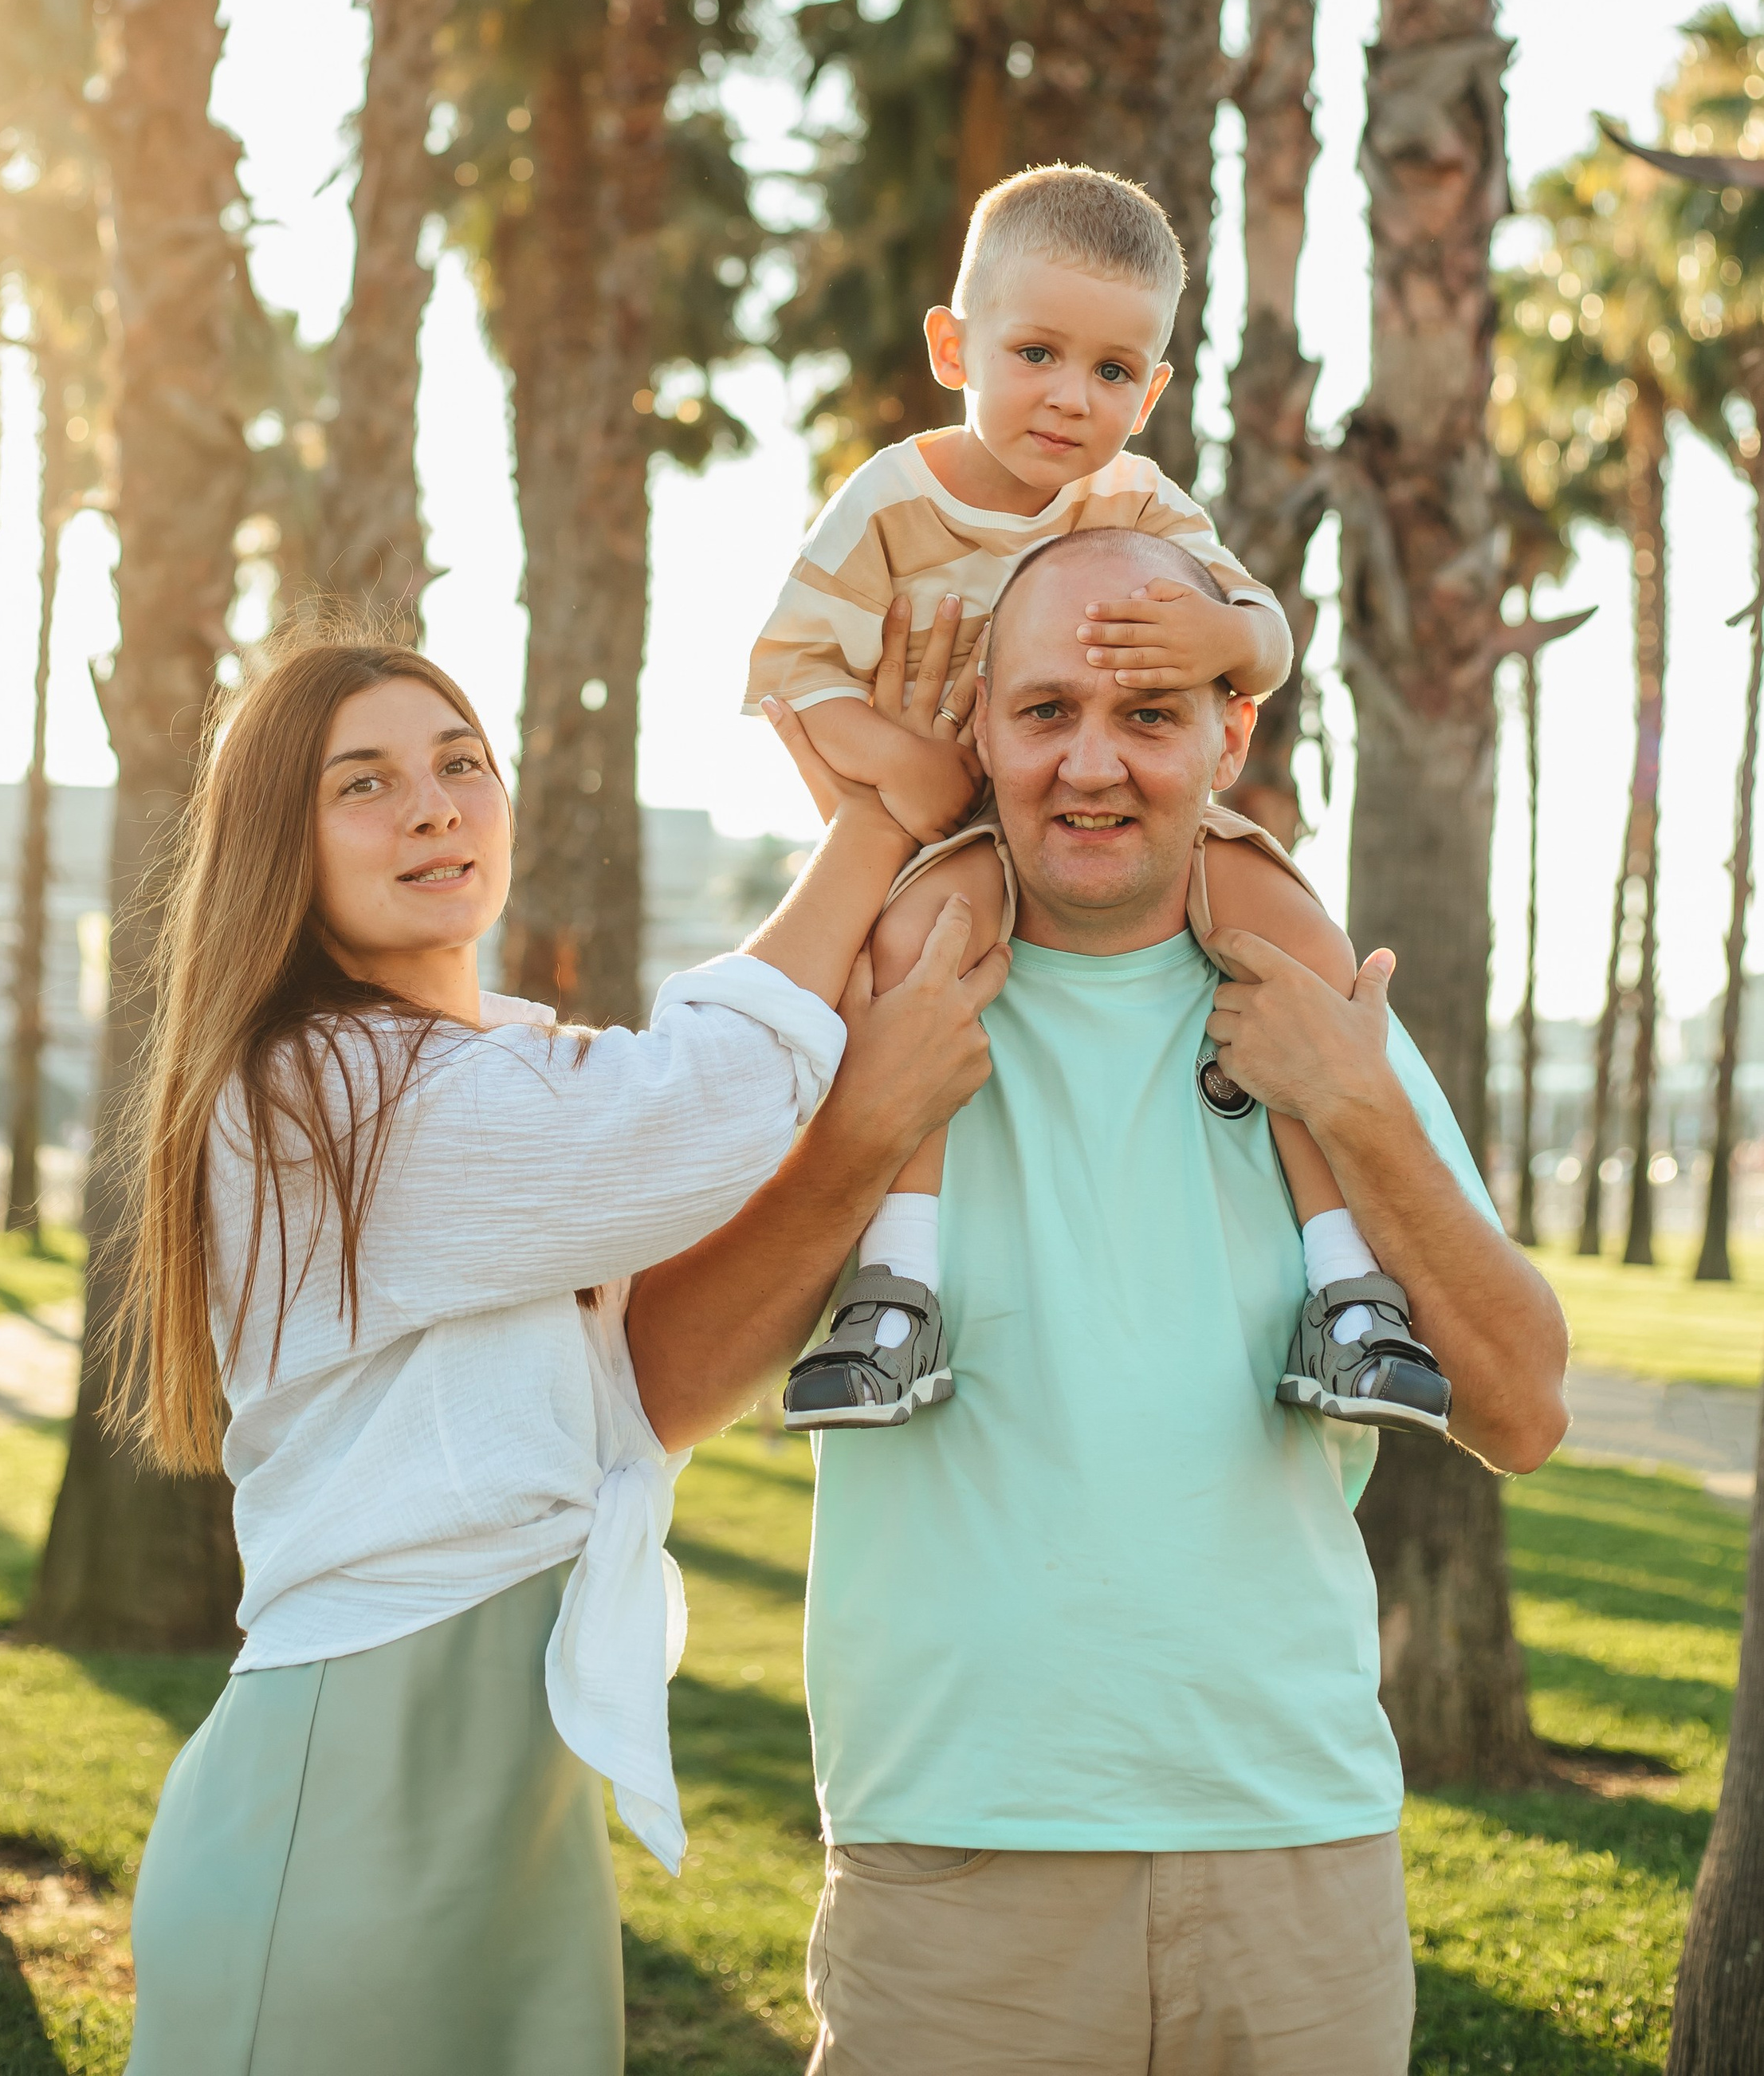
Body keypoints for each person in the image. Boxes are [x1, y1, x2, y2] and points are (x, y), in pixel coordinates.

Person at [632, 527, 1571, 2076]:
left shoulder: (1314, 1014)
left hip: (1294, 1859)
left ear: (1228, 733)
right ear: (978, 731)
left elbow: (1523, 1410)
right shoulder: (861, 1009)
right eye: (1045, 710)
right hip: (949, 1871)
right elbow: (657, 1382)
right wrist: (863, 1126)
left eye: (1144, 717)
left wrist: (1363, 1111)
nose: (1091, 766)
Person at [116, 627, 999, 2076]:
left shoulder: (494, 1061)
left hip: (510, 1792)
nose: (434, 807)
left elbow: (641, 1393)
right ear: (281, 845)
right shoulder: (325, 1092)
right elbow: (706, 1101)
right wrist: (879, 814)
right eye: (365, 784)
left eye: (461, 763)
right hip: (354, 1790)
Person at [750, 162, 1447, 1442]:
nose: (1074, 398)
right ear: (955, 347)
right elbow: (786, 674)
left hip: (1128, 823)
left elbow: (1267, 635)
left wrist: (1218, 635)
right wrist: (903, 767)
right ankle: (895, 1288)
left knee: (1289, 936)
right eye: (1036, 353)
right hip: (964, 830)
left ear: (1155, 388)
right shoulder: (891, 507)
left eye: (1116, 372)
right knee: (916, 958)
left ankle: (1349, 1290)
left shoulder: (1138, 505)